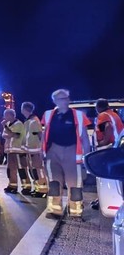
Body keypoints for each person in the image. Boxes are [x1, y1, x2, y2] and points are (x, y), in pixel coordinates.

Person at [42, 88, 92, 218]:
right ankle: (54, 210)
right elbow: (44, 134)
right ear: (55, 101)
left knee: (75, 184)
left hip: (72, 152)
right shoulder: (48, 115)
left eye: (66, 98)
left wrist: (87, 157)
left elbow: (85, 138)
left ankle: (75, 211)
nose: (65, 101)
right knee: (53, 182)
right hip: (52, 153)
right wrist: (42, 152)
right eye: (62, 98)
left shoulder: (78, 115)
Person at [22, 101, 47, 197]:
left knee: (39, 170)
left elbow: (40, 135)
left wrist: (42, 150)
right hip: (30, 151)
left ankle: (43, 190)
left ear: (24, 109)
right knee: (34, 171)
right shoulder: (28, 121)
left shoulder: (34, 121)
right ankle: (37, 189)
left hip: (36, 151)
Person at [1, 108, 27, 194]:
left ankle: (26, 186)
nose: (4, 117)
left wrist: (6, 128)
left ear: (11, 115)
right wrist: (9, 132)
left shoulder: (18, 124)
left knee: (21, 169)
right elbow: (4, 135)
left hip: (18, 150)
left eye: (6, 115)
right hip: (10, 150)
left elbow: (15, 135)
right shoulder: (8, 124)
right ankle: (12, 186)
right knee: (10, 169)